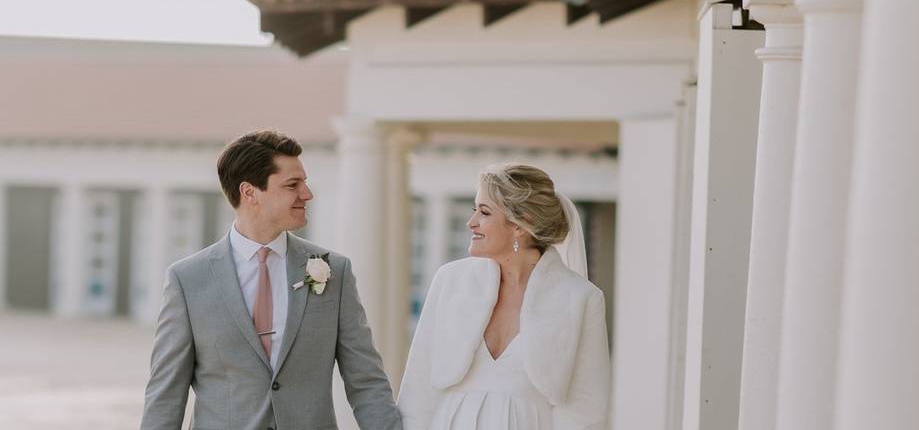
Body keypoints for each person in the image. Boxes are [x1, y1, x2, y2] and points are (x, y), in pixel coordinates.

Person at [140, 129, 402, 430]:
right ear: (250, 192)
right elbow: (166, 394)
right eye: (293, 185)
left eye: (304, 182)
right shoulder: (187, 280)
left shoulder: (335, 271)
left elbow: (366, 381)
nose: (307, 194)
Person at [398, 163, 610, 429]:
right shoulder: (449, 281)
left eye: (484, 212)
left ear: (521, 224)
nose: (471, 222)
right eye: (474, 209)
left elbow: (585, 409)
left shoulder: (581, 298)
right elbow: (417, 392)